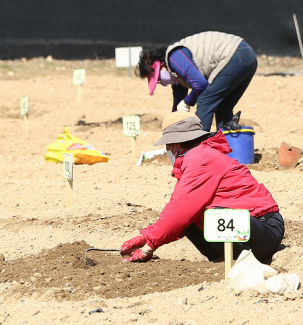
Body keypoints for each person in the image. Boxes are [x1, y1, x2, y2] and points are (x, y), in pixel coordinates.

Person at [120, 111, 285, 263]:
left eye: (168, 145)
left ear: (177, 143)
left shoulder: (199, 159)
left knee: (206, 215)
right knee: (193, 217)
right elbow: (178, 211)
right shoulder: (199, 155)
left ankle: (236, 259)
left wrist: (149, 246)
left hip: (263, 229)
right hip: (256, 227)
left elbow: (181, 209)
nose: (167, 150)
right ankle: (222, 259)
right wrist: (146, 236)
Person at [138, 31, 257, 132]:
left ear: (162, 65)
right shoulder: (177, 76)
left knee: (205, 101)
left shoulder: (175, 57)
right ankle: (228, 149)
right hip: (248, 56)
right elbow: (177, 107)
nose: (162, 83)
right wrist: (172, 132)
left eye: (159, 78)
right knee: (223, 106)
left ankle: (198, 147)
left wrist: (187, 102)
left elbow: (200, 84)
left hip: (235, 55)